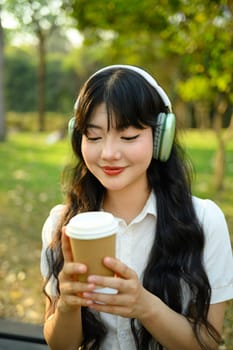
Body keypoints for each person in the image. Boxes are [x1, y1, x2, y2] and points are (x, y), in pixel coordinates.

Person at [40, 64, 233, 350]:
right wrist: (67, 305)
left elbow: (206, 343)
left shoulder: (204, 220)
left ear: (160, 138)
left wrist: (145, 306)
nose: (108, 154)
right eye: (93, 137)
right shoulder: (63, 224)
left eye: (128, 136)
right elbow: (60, 345)